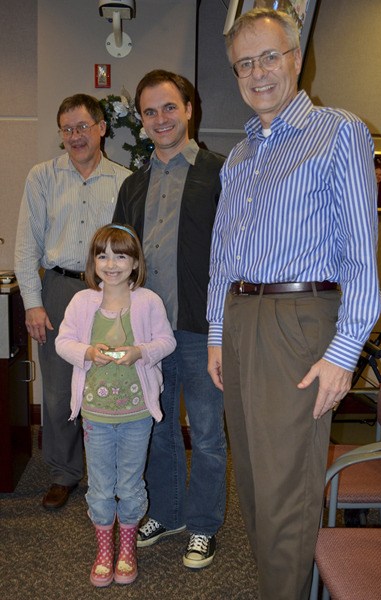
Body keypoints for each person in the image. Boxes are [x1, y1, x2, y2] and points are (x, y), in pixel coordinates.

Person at [207, 9, 381, 600]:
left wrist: (343, 351)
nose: (257, 73)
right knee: (254, 481)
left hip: (299, 322)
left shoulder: (338, 131)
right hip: (240, 318)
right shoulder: (240, 157)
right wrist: (214, 335)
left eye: (269, 57)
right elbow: (221, 256)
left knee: (286, 488)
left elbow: (361, 256)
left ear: (297, 57)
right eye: (243, 64)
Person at [113, 70, 227, 569]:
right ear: (142, 120)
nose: (160, 119)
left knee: (205, 432)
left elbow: (234, 253)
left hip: (201, 329)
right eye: (150, 112)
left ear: (189, 109)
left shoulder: (220, 173)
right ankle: (168, 513)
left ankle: (203, 526)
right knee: (155, 428)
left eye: (169, 108)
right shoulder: (134, 184)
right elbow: (118, 257)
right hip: (147, 334)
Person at [14, 94, 131, 510]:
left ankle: (113, 475)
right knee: (60, 391)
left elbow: (133, 247)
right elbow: (27, 245)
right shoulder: (42, 177)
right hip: (58, 291)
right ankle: (64, 473)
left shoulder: (124, 180)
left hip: (109, 291)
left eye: (83, 127)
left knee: (111, 384)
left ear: (102, 128)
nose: (75, 136)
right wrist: (33, 302)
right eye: (67, 129)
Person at [55, 223, 176, 587]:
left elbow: (166, 341)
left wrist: (141, 352)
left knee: (131, 482)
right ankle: (105, 551)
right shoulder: (82, 302)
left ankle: (127, 550)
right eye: (102, 255)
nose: (111, 263)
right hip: (96, 415)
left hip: (137, 414)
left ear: (135, 261)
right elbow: (64, 342)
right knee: (101, 486)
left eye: (120, 255)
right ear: (93, 262)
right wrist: (88, 353)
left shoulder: (148, 301)